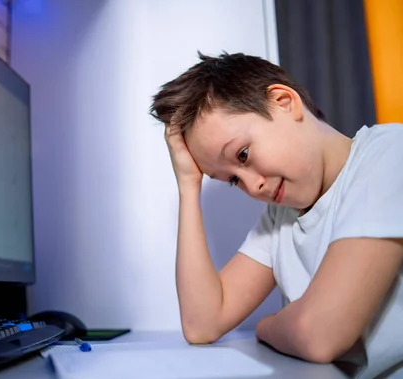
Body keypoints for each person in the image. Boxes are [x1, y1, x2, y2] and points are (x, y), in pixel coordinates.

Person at [148, 52, 403, 379]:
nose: (253, 186)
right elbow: (202, 324)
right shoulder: (279, 218)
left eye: (243, 154)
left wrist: (267, 326)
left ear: (284, 102)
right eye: (233, 181)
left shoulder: (388, 153)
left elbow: (320, 335)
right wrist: (188, 185)